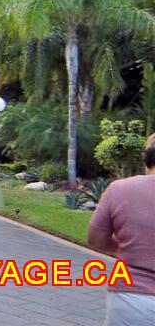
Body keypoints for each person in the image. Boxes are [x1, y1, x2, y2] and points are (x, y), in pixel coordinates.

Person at [87, 133, 155, 326]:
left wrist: (127, 247)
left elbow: (95, 239)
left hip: (131, 299)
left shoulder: (120, 189)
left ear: (147, 156)